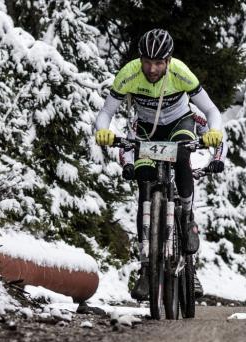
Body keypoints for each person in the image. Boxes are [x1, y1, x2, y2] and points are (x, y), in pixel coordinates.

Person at [94, 29, 225, 300]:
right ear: (140, 59)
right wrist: (103, 131)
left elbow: (211, 110)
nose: (152, 69)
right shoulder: (128, 74)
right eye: (147, 62)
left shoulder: (181, 73)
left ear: (168, 60)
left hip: (180, 124)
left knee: (181, 159)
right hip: (146, 130)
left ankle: (187, 219)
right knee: (144, 180)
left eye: (158, 63)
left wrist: (214, 131)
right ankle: (145, 268)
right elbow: (106, 112)